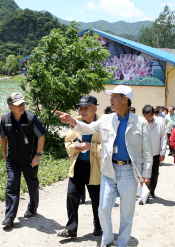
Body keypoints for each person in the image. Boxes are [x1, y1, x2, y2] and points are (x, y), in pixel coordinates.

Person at [56, 85, 152, 247]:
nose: (110, 100)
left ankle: (122, 242)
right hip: (109, 170)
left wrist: (146, 173)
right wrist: (72, 121)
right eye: (111, 97)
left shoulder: (140, 123)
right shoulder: (107, 119)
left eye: (114, 96)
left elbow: (147, 151)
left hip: (129, 171)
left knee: (126, 212)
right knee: (103, 208)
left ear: (125, 99)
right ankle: (107, 239)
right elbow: (88, 127)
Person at [58, 96, 102, 238]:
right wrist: (73, 148)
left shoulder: (102, 125)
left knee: (97, 200)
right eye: (81, 108)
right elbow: (68, 141)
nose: (82, 111)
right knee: (71, 196)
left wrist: (91, 146)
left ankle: (99, 226)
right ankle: (71, 228)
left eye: (86, 108)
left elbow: (108, 148)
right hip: (78, 167)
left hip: (94, 168)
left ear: (95, 109)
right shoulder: (76, 124)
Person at [0, 93, 46, 228]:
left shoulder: (31, 118)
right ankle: (9, 216)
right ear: (10, 107)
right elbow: (3, 138)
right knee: (11, 185)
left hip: (29, 159)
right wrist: (4, 154)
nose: (22, 106)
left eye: (23, 103)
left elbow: (41, 136)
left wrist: (37, 155)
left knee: (32, 185)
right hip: (13, 160)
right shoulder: (5, 120)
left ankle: (32, 208)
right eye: (18, 104)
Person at [142, 105, 167, 201]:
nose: (147, 118)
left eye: (149, 116)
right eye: (145, 116)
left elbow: (164, 138)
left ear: (153, 114)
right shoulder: (141, 122)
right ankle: (145, 195)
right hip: (143, 153)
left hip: (155, 152)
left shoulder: (160, 122)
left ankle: (152, 190)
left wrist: (163, 152)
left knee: (154, 174)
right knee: (144, 174)